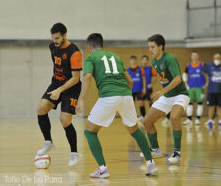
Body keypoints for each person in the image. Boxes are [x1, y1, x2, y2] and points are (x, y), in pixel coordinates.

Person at [76, 33, 157, 178]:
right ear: (102, 45)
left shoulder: (90, 57)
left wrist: (81, 99)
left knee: (89, 132)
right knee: (134, 130)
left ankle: (102, 169)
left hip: (109, 96)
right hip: (126, 95)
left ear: (89, 47)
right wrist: (123, 100)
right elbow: (130, 81)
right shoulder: (115, 56)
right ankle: (150, 164)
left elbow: (87, 77)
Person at [36, 23, 83, 167]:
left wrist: (60, 90)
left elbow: (75, 78)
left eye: (57, 38)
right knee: (41, 109)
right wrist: (56, 87)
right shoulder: (52, 47)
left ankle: (74, 153)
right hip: (56, 84)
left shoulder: (74, 53)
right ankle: (48, 142)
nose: (54, 41)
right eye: (52, 38)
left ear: (65, 35)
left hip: (71, 88)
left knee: (65, 120)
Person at [141, 34, 189, 163]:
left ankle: (177, 152)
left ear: (160, 47)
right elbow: (165, 80)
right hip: (167, 96)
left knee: (174, 117)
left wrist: (162, 92)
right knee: (146, 121)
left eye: (152, 47)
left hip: (180, 95)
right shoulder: (155, 62)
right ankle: (155, 148)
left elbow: (178, 79)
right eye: (149, 47)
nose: (150, 50)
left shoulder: (170, 58)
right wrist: (161, 93)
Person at [182, 51, 206, 126]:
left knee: (200, 103)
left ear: (198, 56)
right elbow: (184, 74)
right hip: (191, 87)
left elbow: (208, 74)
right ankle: (189, 119)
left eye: (196, 55)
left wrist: (206, 84)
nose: (194, 57)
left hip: (200, 88)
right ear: (191, 57)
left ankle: (198, 120)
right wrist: (186, 84)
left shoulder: (202, 64)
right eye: (193, 55)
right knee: (189, 103)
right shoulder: (188, 65)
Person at [202, 53, 221, 130]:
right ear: (213, 59)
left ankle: (220, 121)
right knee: (211, 107)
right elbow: (202, 70)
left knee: (220, 107)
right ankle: (210, 121)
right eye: (215, 58)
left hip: (220, 91)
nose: (217, 59)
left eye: (218, 58)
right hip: (211, 91)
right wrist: (207, 78)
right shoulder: (209, 66)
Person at [127, 56, 146, 120]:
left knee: (141, 102)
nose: (133, 61)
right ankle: (133, 117)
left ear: (136, 61)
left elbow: (144, 79)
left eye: (134, 60)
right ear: (130, 61)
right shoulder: (128, 70)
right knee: (132, 104)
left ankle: (143, 116)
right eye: (132, 60)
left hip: (139, 89)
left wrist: (144, 88)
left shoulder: (141, 69)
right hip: (131, 90)